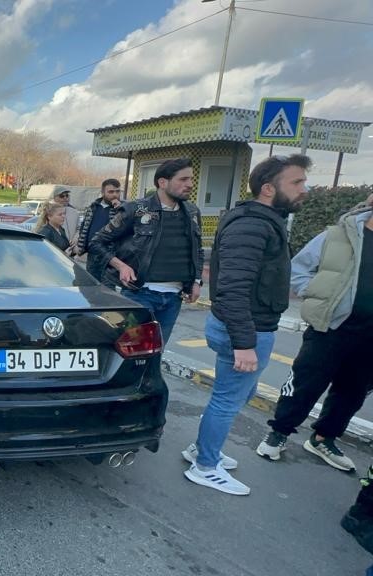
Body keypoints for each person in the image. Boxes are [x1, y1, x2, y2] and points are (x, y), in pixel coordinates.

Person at [183, 154, 310, 496]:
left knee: (236, 394)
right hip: (244, 329)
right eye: (296, 183)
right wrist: (244, 343)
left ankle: (201, 449)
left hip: (247, 326)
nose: (304, 189)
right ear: (269, 188)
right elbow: (234, 288)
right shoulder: (253, 225)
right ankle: (205, 466)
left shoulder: (263, 220)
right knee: (227, 400)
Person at [255, 197, 372, 473]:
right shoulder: (337, 235)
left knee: (352, 393)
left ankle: (323, 439)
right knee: (305, 383)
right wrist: (321, 296)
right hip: (330, 328)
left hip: (370, 338)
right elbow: (296, 270)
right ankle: (279, 433)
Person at [89, 158, 203, 345]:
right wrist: (121, 266)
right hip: (138, 294)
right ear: (163, 182)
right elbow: (97, 242)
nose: (190, 184)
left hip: (174, 297)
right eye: (183, 179)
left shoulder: (191, 212)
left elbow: (197, 250)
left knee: (157, 351)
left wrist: (196, 281)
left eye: (191, 179)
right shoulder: (136, 210)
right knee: (133, 350)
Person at [74, 178, 123, 281]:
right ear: (102, 192)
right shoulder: (93, 207)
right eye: (110, 192)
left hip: (111, 257)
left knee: (107, 289)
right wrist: (80, 245)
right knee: (90, 285)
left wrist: (121, 210)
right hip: (92, 255)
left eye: (117, 191)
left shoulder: (124, 209)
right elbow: (85, 227)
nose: (115, 195)